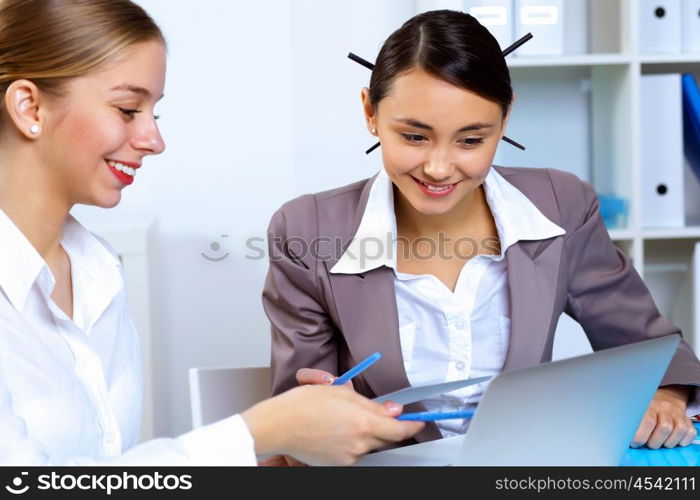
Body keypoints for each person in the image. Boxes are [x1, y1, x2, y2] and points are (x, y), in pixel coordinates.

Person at [0, 0, 423, 466]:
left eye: (153, 114)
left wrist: (279, 443)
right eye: (127, 109)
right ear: (29, 106)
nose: (153, 140)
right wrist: (257, 433)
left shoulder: (97, 273)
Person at [263, 9, 700, 454]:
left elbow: (649, 346)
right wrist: (314, 413)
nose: (438, 168)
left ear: (505, 119)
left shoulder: (561, 206)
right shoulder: (306, 230)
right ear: (370, 112)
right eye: (414, 137)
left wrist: (666, 395)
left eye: (470, 140)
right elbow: (298, 411)